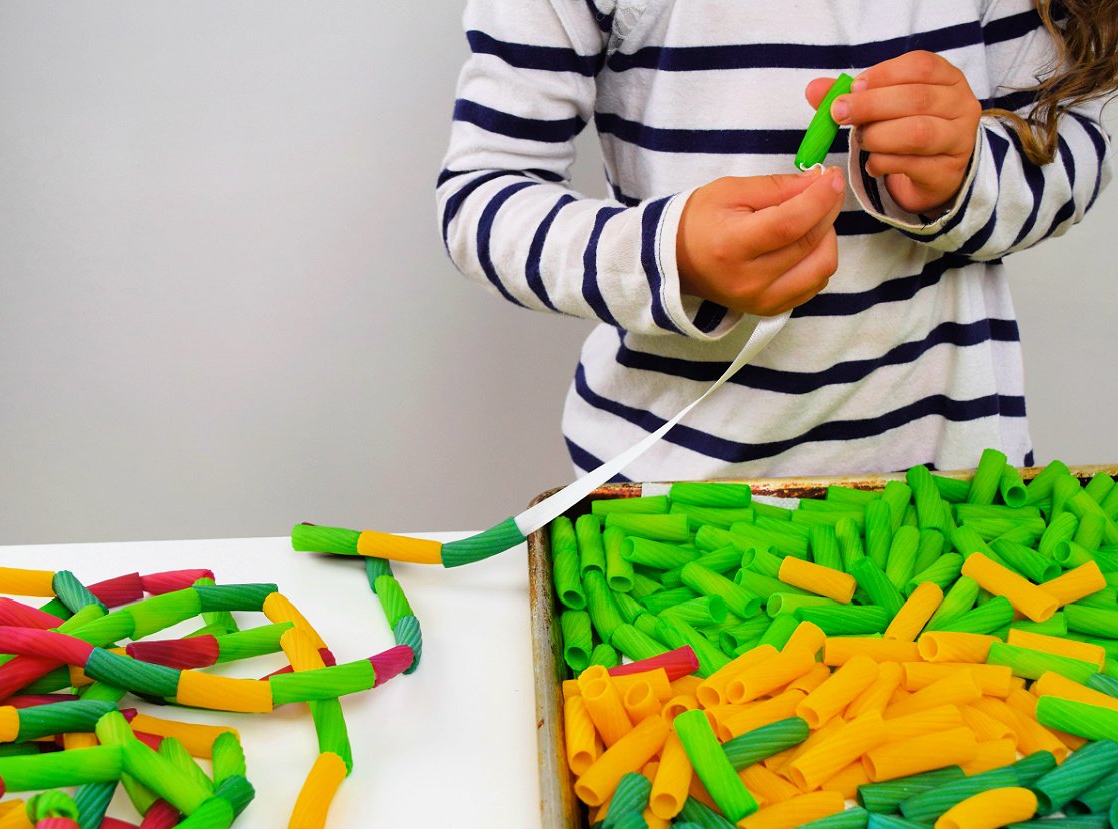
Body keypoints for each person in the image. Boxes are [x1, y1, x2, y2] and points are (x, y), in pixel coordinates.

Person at [436, 0, 1118, 484]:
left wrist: (967, 173)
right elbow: (482, 196)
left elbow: (1071, 146)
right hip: (676, 500)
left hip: (953, 489)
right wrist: (669, 256)